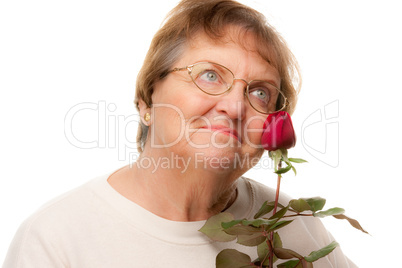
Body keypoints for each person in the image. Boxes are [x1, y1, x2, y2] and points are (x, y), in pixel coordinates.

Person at [3, 0, 356, 267]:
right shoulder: (55, 240)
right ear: (146, 99)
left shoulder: (301, 231)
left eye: (260, 92)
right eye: (210, 75)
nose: (235, 108)